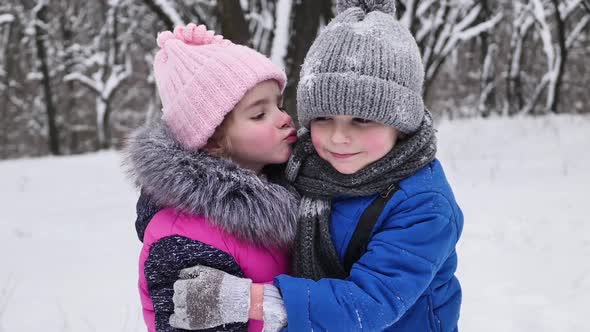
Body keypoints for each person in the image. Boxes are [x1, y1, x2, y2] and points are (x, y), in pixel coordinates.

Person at [169, 1, 464, 331]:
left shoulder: (424, 205)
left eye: (362, 120)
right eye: (323, 118)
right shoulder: (304, 165)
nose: (338, 138)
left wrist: (248, 300)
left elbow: (368, 303)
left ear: (401, 122)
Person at [124, 23, 300, 332]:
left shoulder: (287, 191)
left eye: (279, 104)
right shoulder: (183, 236)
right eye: (259, 114)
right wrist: (294, 309)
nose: (284, 118)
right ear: (212, 140)